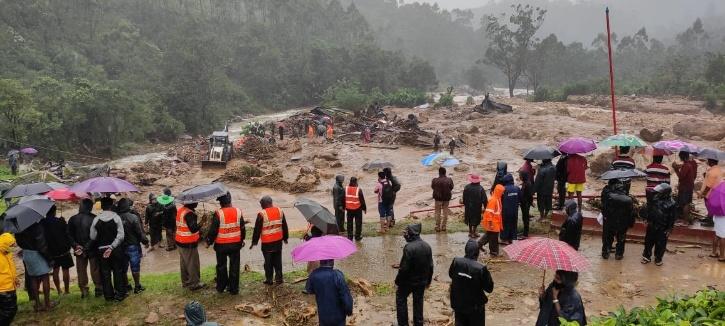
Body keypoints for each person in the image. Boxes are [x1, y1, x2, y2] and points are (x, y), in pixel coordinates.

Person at [206, 193, 245, 294]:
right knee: (234, 266)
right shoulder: (238, 211)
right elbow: (242, 228)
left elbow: (213, 230)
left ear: (221, 203)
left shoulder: (218, 213)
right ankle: (233, 289)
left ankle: (221, 287)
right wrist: (242, 240)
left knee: (221, 266)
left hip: (221, 246)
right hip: (236, 244)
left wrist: (209, 241)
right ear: (230, 201)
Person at [89, 197, 127, 301]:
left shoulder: (96, 219)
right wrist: (112, 246)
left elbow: (92, 236)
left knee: (105, 273)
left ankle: (109, 296)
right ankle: (120, 294)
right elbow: (121, 235)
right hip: (115, 249)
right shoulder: (116, 217)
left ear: (101, 207)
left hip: (101, 249)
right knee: (117, 271)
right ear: (111, 206)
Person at [449, 239, 494, 326]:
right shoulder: (481, 268)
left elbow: (451, 275)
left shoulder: (456, 261)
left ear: (465, 250)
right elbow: (489, 288)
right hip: (475, 307)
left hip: (458, 303)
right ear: (477, 253)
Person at [395, 223, 433, 326]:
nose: (405, 235)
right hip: (421, 282)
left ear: (411, 233)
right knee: (418, 302)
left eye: (406, 233)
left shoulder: (409, 248)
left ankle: (403, 323)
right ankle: (419, 323)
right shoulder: (427, 246)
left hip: (408, 282)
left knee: (400, 298)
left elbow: (404, 269)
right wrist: (428, 281)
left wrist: (397, 281)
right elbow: (431, 266)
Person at [16, 216, 53, 311]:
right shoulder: (37, 226)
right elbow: (41, 245)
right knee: (45, 277)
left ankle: (37, 304)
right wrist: (49, 258)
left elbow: (19, 243)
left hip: (27, 254)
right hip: (37, 253)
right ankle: (47, 304)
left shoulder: (19, 228)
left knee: (32, 278)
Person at [251, 196, 289, 285]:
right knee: (278, 261)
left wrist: (254, 242)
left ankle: (269, 280)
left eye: (261, 204)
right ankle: (279, 279)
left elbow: (257, 229)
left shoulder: (261, 214)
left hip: (267, 243)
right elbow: (284, 226)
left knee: (268, 262)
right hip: (278, 241)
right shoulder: (280, 211)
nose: (261, 206)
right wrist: (285, 238)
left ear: (264, 204)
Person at [68, 199, 101, 298]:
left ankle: (84, 290)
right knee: (95, 269)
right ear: (90, 207)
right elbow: (96, 236)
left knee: (81, 270)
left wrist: (75, 245)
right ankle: (98, 288)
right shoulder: (94, 218)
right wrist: (87, 246)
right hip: (92, 248)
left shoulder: (72, 219)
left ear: (82, 206)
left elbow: (69, 235)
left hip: (79, 249)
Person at [305, 260, 354, 326]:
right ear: (332, 262)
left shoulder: (314, 275)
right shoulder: (338, 275)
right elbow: (345, 296)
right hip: (338, 317)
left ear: (321, 262)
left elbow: (309, 290)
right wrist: (349, 310)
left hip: (323, 316)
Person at [117, 198, 149, 294]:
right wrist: (145, 241)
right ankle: (137, 286)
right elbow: (139, 232)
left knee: (123, 267)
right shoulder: (133, 217)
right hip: (133, 245)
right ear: (127, 206)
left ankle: (127, 285)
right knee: (135, 267)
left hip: (121, 246)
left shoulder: (116, 218)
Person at [41, 206, 74, 296]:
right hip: (63, 249)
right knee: (65, 269)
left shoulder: (42, 223)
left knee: (55, 270)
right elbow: (67, 233)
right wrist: (64, 222)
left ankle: (59, 290)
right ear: (54, 211)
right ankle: (67, 291)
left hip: (51, 250)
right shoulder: (60, 221)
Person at [642, 184, 677, 265]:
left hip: (663, 227)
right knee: (648, 242)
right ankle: (646, 256)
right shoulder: (654, 198)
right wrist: (646, 219)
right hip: (652, 224)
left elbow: (672, 217)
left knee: (661, 244)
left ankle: (658, 258)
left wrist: (669, 228)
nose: (657, 193)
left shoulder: (672, 203)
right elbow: (648, 209)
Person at [600, 179, 634, 260]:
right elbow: (631, 214)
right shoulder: (628, 199)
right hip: (622, 223)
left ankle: (605, 253)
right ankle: (619, 254)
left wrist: (605, 218)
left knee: (608, 237)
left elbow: (604, 209)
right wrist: (630, 224)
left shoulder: (609, 196)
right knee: (621, 239)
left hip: (610, 221)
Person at [175, 201, 205, 291]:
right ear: (190, 203)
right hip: (188, 242)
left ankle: (185, 282)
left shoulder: (180, 210)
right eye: (195, 201)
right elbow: (193, 229)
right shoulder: (189, 214)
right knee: (192, 263)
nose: (197, 203)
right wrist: (202, 222)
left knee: (184, 263)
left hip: (179, 240)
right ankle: (194, 283)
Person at [479, 184, 504, 256]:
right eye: (502, 192)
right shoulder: (493, 200)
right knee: (494, 238)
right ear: (498, 192)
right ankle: (494, 252)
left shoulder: (497, 199)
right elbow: (489, 213)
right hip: (493, 223)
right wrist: (490, 224)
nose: (503, 193)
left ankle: (479, 244)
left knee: (489, 235)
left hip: (495, 222)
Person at [672, 151, 697, 224]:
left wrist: (675, 169)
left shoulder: (686, 165)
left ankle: (685, 220)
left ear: (681, 157)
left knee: (685, 204)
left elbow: (681, 177)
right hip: (689, 187)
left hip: (685, 187)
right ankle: (686, 219)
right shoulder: (690, 164)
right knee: (687, 203)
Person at [0, 233, 18, 325]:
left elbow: (10, 267)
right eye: (11, 245)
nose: (13, 247)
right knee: (9, 311)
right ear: (5, 244)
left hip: (10, 286)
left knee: (10, 310)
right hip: (3, 289)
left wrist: (15, 278)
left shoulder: (7, 253)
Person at [462, 173, 488, 238]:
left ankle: (470, 231)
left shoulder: (467, 187)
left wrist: (465, 204)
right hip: (477, 207)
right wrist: (486, 207)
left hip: (469, 207)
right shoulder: (480, 188)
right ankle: (474, 231)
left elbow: (464, 198)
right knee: (476, 220)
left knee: (470, 219)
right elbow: (484, 199)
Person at [699, 158, 721, 228]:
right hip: (715, 192)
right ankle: (708, 218)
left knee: (709, 206)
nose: (707, 161)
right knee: (709, 206)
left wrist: (703, 194)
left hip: (710, 193)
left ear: (711, 161)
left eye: (708, 160)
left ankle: (710, 221)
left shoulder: (712, 172)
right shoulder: (718, 169)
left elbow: (708, 186)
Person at [432, 167, 454, 232]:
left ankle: (437, 227)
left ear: (439, 173)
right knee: (445, 212)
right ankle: (444, 226)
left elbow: (433, 187)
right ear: (445, 172)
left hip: (438, 199)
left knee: (437, 213)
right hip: (446, 199)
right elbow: (451, 187)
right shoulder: (449, 180)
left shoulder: (434, 180)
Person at [500, 174, 520, 245]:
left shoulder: (503, 189)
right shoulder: (517, 188)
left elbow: (500, 200)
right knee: (513, 224)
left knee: (505, 224)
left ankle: (504, 239)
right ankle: (513, 238)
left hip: (505, 211)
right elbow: (519, 199)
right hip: (514, 210)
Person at [519, 171, 534, 239]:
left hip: (526, 204)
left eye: (520, 175)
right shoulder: (525, 183)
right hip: (524, 203)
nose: (519, 177)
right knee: (524, 218)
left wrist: (531, 203)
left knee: (525, 218)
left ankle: (525, 234)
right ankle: (525, 232)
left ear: (523, 176)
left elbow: (530, 195)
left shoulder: (527, 184)